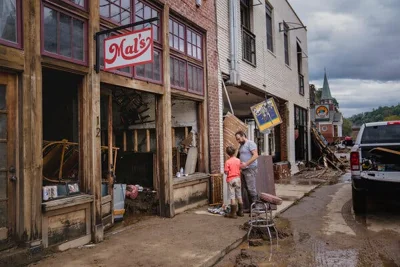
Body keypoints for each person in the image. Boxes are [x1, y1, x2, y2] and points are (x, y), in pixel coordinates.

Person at [235, 130, 259, 205]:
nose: (238, 141)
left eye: (238, 139)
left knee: (251, 188)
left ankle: (256, 208)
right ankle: (250, 207)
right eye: (237, 139)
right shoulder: (241, 145)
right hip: (244, 169)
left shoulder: (250, 143)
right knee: (246, 188)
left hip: (250, 168)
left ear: (243, 136)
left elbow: (255, 155)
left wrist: (246, 164)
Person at [224, 146, 244, 218]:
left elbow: (226, 172)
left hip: (231, 180)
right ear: (234, 152)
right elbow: (240, 168)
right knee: (239, 195)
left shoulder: (227, 162)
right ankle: (241, 212)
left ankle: (233, 213)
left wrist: (227, 172)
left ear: (227, 153)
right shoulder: (238, 160)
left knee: (232, 196)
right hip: (238, 179)